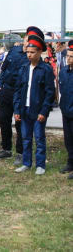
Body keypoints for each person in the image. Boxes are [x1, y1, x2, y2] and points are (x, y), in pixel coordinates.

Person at [13, 34, 55, 175]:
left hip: (38, 111)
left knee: (39, 138)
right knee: (25, 138)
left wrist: (44, 112)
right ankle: (26, 163)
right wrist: (17, 109)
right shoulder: (24, 68)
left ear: (39, 52)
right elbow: (18, 90)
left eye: (32, 52)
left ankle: (40, 165)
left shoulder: (46, 69)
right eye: (28, 52)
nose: (29, 55)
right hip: (24, 110)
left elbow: (50, 93)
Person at [0, 33, 29, 164]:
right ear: (23, 41)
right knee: (4, 120)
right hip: (6, 91)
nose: (27, 44)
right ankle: (6, 149)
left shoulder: (30, 57)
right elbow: (4, 69)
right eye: (26, 40)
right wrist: (0, 86)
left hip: (20, 93)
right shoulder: (14, 51)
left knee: (19, 124)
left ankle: (20, 152)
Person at [59, 40, 73, 179]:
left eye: (71, 56)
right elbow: (62, 90)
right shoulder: (64, 71)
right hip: (66, 110)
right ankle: (70, 162)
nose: (68, 58)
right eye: (67, 56)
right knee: (68, 139)